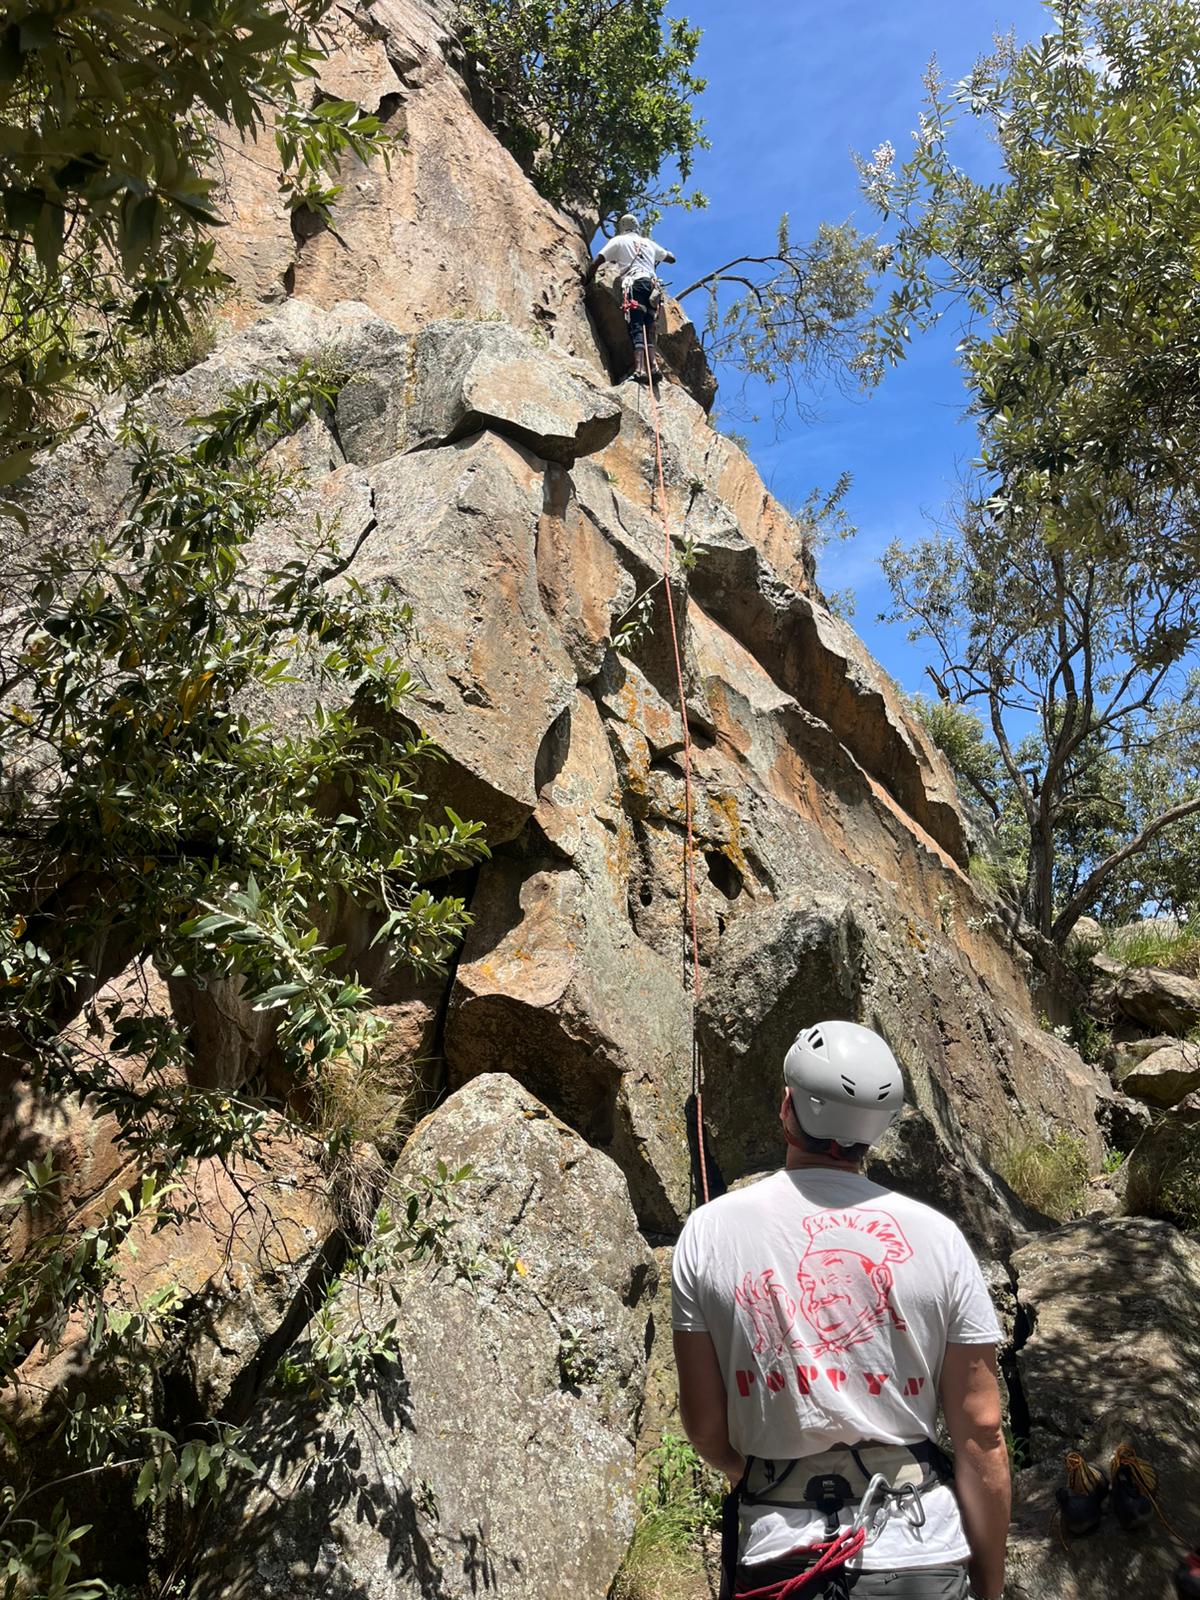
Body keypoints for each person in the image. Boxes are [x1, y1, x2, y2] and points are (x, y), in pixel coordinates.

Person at [672, 1021, 1010, 1600]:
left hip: (781, 1556)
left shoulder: (710, 1231)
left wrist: (757, 1475)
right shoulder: (940, 1238)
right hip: (921, 1549)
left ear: (788, 1107)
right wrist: (991, 1585)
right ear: (876, 1130)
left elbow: (705, 1426)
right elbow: (980, 1428)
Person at [585, 212, 675, 385]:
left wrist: (587, 278)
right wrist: (660, 256)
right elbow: (672, 259)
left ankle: (640, 370)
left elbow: (598, 260)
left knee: (636, 325)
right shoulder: (648, 243)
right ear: (637, 227)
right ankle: (654, 367)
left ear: (622, 228)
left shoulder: (619, 241)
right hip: (652, 287)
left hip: (634, 284)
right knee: (649, 326)